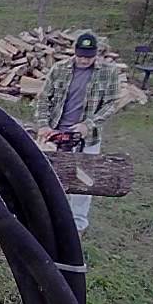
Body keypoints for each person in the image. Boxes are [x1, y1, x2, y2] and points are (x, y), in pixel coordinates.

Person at [33, 32, 121, 234]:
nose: (83, 60)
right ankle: (47, 218)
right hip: (56, 133)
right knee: (48, 177)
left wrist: (88, 125)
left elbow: (111, 104)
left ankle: (77, 226)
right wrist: (44, 125)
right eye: (80, 56)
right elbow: (44, 98)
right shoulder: (59, 69)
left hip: (87, 138)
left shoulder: (108, 72)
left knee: (84, 181)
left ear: (96, 54)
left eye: (88, 57)